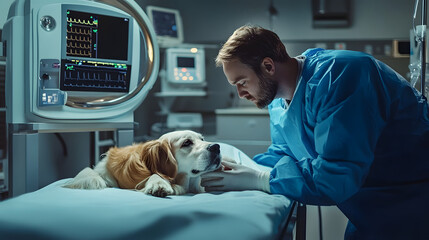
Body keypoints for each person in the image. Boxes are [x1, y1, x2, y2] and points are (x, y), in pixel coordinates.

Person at [200, 25, 429, 239]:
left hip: (412, 204)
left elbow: (336, 175)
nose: (240, 93)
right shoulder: (278, 102)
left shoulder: (342, 75)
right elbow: (283, 154)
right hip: (368, 212)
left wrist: (262, 179)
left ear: (268, 66)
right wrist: (241, 168)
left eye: (242, 82)